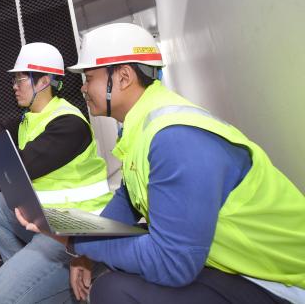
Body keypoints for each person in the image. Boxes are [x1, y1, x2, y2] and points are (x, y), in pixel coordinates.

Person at [16, 23, 305, 304]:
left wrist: (72, 240)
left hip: (281, 282)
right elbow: (124, 205)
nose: (83, 88)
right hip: (239, 265)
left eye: (89, 77)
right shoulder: (146, 126)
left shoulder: (175, 138)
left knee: (114, 291)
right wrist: (84, 252)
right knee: (114, 278)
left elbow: (172, 264)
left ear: (123, 77)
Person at [0, 42, 112, 303]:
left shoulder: (69, 124)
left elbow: (17, 165)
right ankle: (30, 282)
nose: (14, 85)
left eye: (20, 79)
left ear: (43, 81)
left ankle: (45, 284)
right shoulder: (28, 118)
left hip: (75, 230)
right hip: (44, 220)